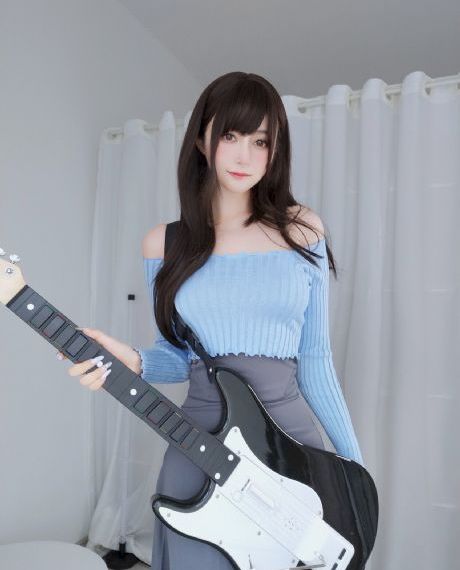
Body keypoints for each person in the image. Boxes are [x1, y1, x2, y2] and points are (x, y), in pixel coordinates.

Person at [57, 71, 364, 569]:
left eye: (261, 141)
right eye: (230, 136)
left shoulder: (302, 229)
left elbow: (315, 360)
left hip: (291, 448)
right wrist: (130, 359)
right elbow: (178, 357)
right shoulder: (164, 243)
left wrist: (354, 473)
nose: (245, 156)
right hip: (199, 445)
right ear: (202, 140)